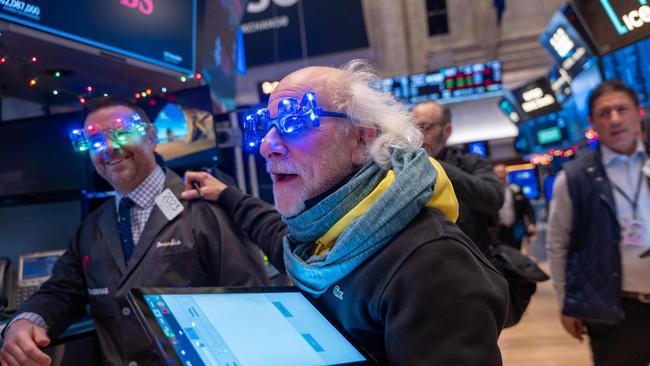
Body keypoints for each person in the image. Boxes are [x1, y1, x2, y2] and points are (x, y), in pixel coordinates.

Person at [183, 60, 509, 365]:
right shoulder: (323, 239)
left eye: (295, 120)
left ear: (360, 140)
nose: (268, 146)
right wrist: (227, 195)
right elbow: (278, 238)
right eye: (265, 127)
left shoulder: (432, 264)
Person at [0, 97, 268, 366]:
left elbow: (250, 303)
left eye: (121, 132)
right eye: (94, 141)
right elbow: (60, 291)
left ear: (151, 137)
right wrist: (24, 322)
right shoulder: (92, 227)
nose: (108, 148)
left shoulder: (206, 207)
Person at [547, 80, 650, 366]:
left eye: (621, 109)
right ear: (592, 122)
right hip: (613, 311)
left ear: (637, 113)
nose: (614, 119)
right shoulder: (575, 177)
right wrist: (566, 303)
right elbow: (557, 245)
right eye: (605, 113)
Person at [411, 101, 504, 253]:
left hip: (473, 260)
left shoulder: (472, 163)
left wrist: (434, 166)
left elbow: (493, 199)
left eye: (423, 127)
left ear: (447, 130)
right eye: (412, 128)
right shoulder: (404, 170)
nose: (417, 135)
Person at [494, 164, 536, 250]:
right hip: (500, 230)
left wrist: (532, 223)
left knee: (518, 250)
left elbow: (527, 207)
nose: (500, 175)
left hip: (516, 226)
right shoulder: (492, 191)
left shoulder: (516, 189)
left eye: (502, 172)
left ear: (506, 173)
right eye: (498, 173)